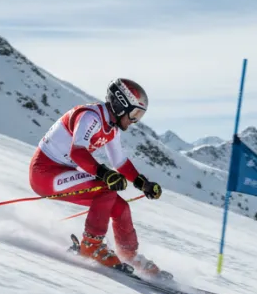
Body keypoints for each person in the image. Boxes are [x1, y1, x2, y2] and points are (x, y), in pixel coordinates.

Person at [29, 78, 165, 275]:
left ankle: (128, 254)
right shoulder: (90, 117)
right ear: (120, 104)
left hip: (62, 171)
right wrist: (104, 173)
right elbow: (77, 152)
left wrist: (143, 183)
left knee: (120, 207)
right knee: (107, 188)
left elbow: (120, 163)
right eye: (134, 113)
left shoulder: (112, 128)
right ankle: (91, 245)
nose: (135, 120)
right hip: (44, 173)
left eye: (139, 116)